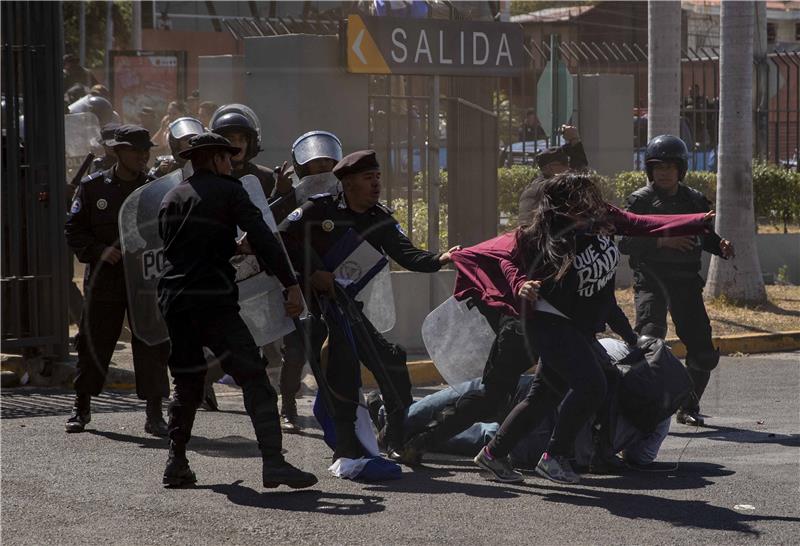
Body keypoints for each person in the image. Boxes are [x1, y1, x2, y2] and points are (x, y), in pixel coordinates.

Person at [463, 172, 715, 485]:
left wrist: (696, 221)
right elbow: (505, 259)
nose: (591, 210)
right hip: (548, 323)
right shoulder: (542, 235)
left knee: (542, 396)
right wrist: (520, 284)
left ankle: (493, 455)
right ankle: (554, 457)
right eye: (580, 205)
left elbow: (644, 226)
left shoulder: (604, 219)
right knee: (592, 385)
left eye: (591, 201)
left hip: (577, 327)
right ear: (561, 209)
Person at [157, 132, 317, 489]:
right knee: (255, 379)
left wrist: (232, 247)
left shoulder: (172, 197)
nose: (231, 164)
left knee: (186, 380)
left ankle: (176, 463)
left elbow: (187, 247)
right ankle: (274, 463)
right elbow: (263, 236)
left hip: (175, 299)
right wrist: (290, 283)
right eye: (227, 158)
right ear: (214, 159)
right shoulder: (231, 191)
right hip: (213, 301)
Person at [279, 150, 459, 461]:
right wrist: (311, 273)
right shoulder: (320, 209)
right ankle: (345, 444)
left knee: (391, 361)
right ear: (347, 183)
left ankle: (396, 438)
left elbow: (407, 254)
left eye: (377, 177)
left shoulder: (380, 220)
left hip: (348, 309)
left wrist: (440, 259)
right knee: (340, 371)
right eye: (367, 178)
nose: (376, 184)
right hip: (311, 310)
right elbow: (282, 238)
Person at [618, 135, 735, 427]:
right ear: (649, 170)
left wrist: (719, 245)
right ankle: (644, 409)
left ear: (680, 169)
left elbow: (704, 235)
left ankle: (688, 405)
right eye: (658, 167)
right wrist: (662, 243)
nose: (664, 172)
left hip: (685, 281)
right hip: (652, 280)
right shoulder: (640, 200)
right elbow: (626, 243)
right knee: (647, 343)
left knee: (704, 352)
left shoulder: (694, 199)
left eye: (670, 167)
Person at [64, 125, 170, 435]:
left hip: (145, 282)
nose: (142, 156)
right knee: (94, 342)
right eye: (136, 150)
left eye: (145, 151)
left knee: (151, 343)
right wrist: (99, 250)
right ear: (117, 151)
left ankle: (155, 413)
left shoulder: (153, 189)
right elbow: (74, 230)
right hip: (105, 279)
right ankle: (81, 408)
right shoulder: (93, 187)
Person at [270, 130, 343, 433]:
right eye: (315, 162)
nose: (322, 166)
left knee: (335, 350)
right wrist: (280, 191)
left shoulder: (342, 197)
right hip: (299, 284)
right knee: (296, 350)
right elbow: (269, 225)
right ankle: (288, 405)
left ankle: (335, 407)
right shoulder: (294, 198)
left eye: (327, 160)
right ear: (302, 166)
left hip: (336, 283)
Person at [210, 105, 293, 200]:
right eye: (231, 139)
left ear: (250, 144)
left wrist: (281, 192)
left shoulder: (264, 177)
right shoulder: (210, 178)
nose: (237, 145)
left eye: (242, 139)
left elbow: (273, 212)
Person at [517, 124, 588, 225]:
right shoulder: (550, 187)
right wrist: (575, 139)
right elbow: (580, 177)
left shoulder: (536, 184)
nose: (568, 168)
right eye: (564, 164)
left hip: (533, 235)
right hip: (540, 237)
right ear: (550, 167)